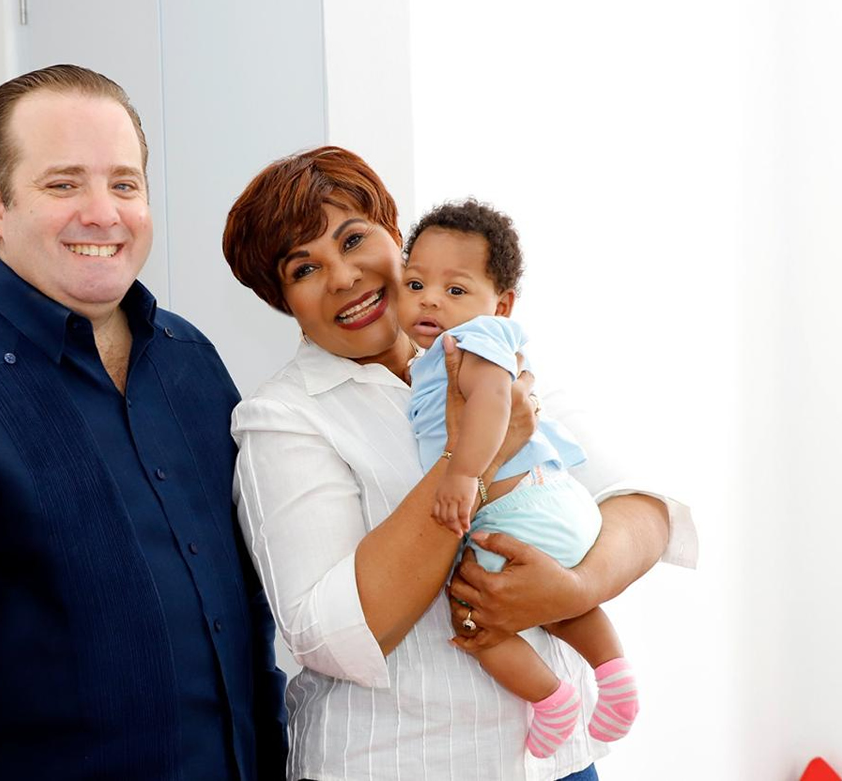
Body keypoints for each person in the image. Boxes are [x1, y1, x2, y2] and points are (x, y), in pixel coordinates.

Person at [0, 64, 287, 779]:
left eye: (124, 184)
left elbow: (250, 610)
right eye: (63, 183)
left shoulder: (192, 363)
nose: (103, 213)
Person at [221, 145, 697, 780]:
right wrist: (470, 456)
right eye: (304, 268)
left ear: (398, 237)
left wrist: (573, 590)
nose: (343, 277)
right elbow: (331, 636)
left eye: (354, 238)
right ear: (283, 301)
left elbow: (641, 507)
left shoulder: (482, 347)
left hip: (558, 761)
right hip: (400, 762)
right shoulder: (281, 419)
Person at [399, 199, 637, 758]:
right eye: (415, 283)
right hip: (554, 504)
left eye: (455, 290)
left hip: (515, 512)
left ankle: (551, 698)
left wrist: (462, 472)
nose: (430, 298)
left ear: (499, 304)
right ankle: (615, 674)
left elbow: (492, 401)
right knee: (560, 603)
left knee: (470, 612)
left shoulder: (474, 341)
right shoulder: (443, 351)